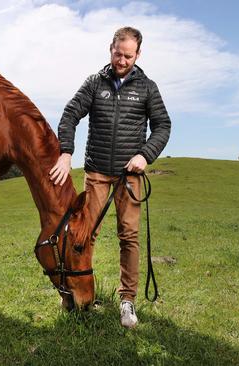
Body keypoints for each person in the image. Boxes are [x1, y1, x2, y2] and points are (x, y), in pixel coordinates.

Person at [49, 26, 171, 328]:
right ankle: (76, 291)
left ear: (138, 54)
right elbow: (70, 114)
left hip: (129, 178)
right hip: (97, 174)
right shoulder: (94, 83)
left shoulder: (147, 87)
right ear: (111, 49)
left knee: (129, 237)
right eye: (118, 54)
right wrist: (66, 151)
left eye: (129, 56)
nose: (122, 60)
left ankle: (127, 300)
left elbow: (163, 126)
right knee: (83, 235)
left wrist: (145, 155)